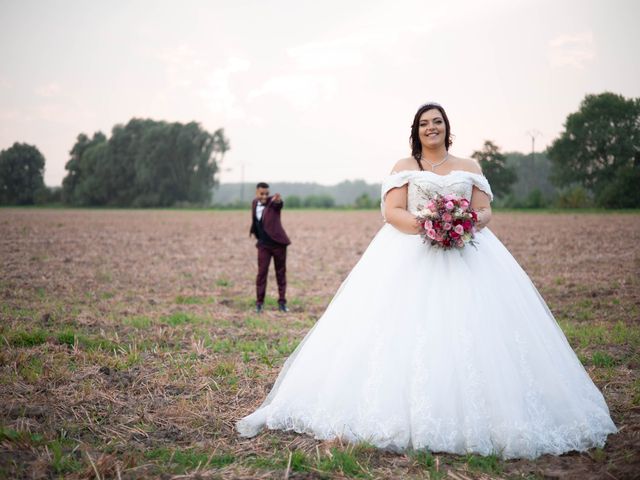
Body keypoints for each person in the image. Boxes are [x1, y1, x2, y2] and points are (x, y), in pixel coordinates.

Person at [236, 103, 618, 459]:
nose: (431, 127)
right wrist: (432, 226)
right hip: (411, 250)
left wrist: (464, 223)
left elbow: (485, 211)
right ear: (416, 131)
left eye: (437, 121)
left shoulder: (469, 165)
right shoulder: (404, 164)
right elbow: (393, 211)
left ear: (447, 128)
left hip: (469, 251)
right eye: (424, 123)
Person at [250, 182, 291, 313]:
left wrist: (278, 201)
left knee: (280, 274)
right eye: (262, 194)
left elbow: (278, 204)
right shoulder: (254, 203)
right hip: (263, 245)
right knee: (261, 274)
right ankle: (259, 304)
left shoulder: (273, 202)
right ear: (256, 192)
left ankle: (282, 303)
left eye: (267, 194)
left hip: (278, 245)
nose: (264, 196)